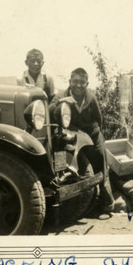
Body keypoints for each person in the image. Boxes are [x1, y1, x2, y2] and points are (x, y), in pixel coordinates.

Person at [49, 67, 115, 214]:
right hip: (74, 137)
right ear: (70, 82)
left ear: (87, 83)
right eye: (75, 82)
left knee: (100, 161)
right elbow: (49, 110)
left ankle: (106, 204)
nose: (78, 85)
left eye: (82, 82)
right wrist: (61, 101)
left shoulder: (91, 98)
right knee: (75, 167)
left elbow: (99, 119)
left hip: (93, 134)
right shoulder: (62, 95)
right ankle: (84, 205)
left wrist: (97, 136)